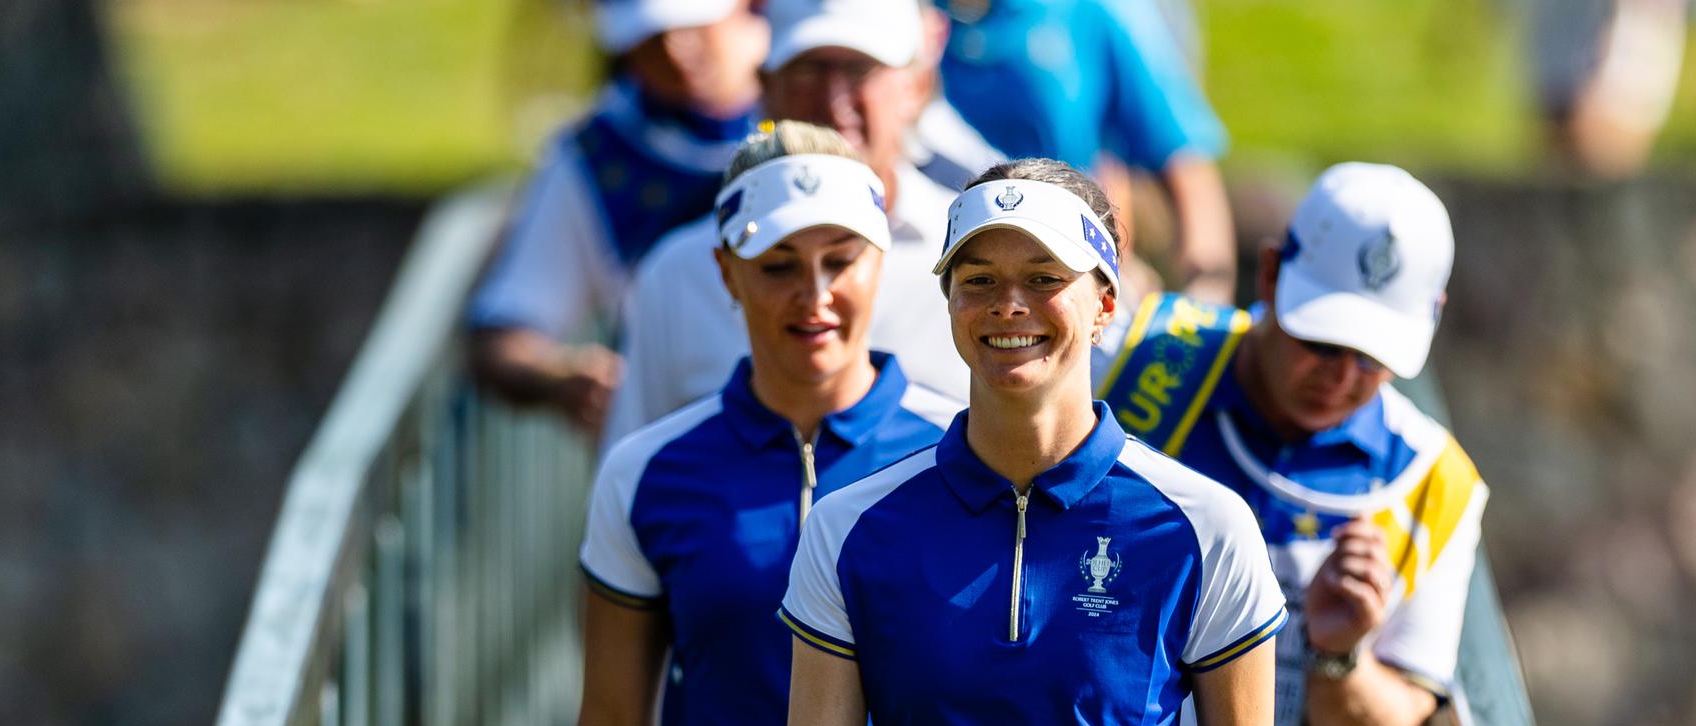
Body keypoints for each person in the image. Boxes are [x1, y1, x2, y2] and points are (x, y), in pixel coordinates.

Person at [764, 159, 1300, 726]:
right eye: (980, 282)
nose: (1009, 305)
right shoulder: (852, 530)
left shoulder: (1201, 525)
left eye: (1044, 279)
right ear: (948, 304)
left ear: (1103, 302)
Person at [545, 123, 956, 726]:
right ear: (725, 273)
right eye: (778, 267)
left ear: (881, 258)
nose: (814, 297)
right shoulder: (650, 475)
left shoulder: (961, 458)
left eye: (839, 260)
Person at [1094, 163, 1489, 726]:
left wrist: (1343, 654)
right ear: (1269, 274)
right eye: (1321, 338)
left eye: (1373, 354)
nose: (1340, 375)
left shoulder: (1431, 484)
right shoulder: (1144, 363)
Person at [603, 0, 972, 449]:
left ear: (918, 85)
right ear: (764, 86)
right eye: (808, 69)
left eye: (860, 69)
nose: (834, 101)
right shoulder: (677, 272)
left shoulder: (982, 251)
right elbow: (635, 476)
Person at [464, 0, 765, 432]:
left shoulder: (832, 104)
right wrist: (562, 379)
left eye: (693, 25)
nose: (675, 51)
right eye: (651, 37)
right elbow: (505, 329)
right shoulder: (598, 156)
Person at [933, 0, 1236, 302]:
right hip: (941, 271)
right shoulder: (907, 16)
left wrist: (1204, 308)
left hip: (1079, 273)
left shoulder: (1091, 10)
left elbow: (1186, 164)